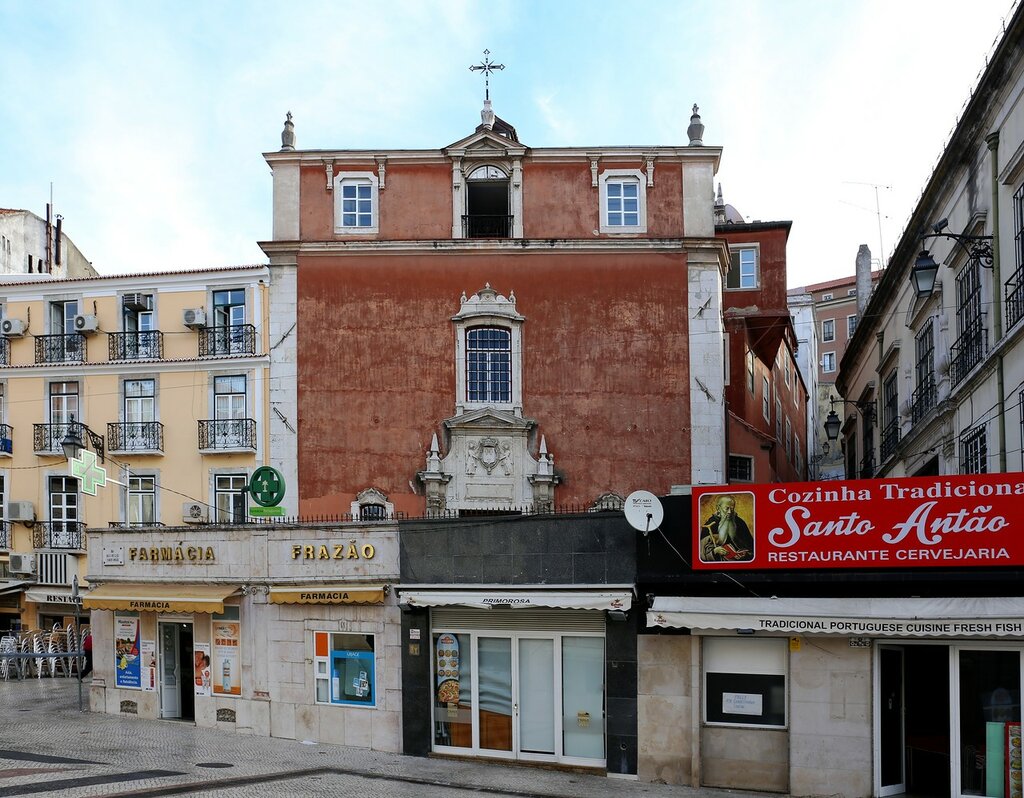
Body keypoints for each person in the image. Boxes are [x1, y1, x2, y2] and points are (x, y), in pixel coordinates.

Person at [699, 494, 754, 561]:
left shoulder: (740, 523)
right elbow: (701, 552)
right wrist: (715, 551)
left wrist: (746, 553)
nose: (729, 512)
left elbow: (751, 546)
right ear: (718, 508)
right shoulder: (710, 525)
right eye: (726, 508)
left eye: (732, 509)